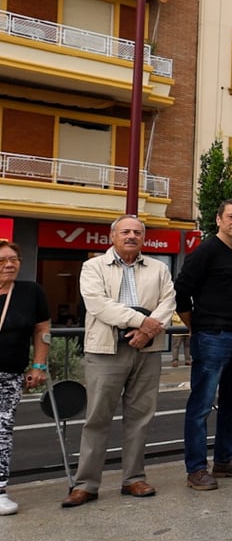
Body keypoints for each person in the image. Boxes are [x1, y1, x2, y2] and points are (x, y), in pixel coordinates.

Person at [63, 215, 177, 507]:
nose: (131, 236)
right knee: (97, 418)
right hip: (105, 349)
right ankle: (86, 484)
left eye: (137, 232)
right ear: (112, 236)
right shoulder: (93, 267)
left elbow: (169, 302)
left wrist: (146, 332)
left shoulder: (159, 268)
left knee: (140, 419)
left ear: (143, 237)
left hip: (146, 351)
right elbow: (99, 305)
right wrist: (144, 323)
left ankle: (134, 479)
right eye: (125, 231)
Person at [175, 199, 232, 491]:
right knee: (201, 404)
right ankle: (196, 468)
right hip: (212, 335)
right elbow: (182, 291)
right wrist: (194, 326)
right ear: (218, 219)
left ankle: (224, 460)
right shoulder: (206, 252)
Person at [0, 241, 50, 515]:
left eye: (14, 259)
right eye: (2, 260)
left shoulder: (31, 292)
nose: (9, 264)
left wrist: (39, 365)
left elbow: (42, 329)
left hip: (9, 374)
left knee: (2, 432)